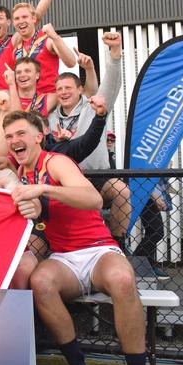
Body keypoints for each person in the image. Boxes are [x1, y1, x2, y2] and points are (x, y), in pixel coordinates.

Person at [4, 111, 157, 365]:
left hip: (98, 249)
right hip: (63, 257)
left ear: (39, 136)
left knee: (123, 279)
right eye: (9, 136)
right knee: (40, 281)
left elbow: (94, 200)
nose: (13, 141)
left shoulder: (55, 162)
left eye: (20, 134)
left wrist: (46, 190)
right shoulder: (21, 172)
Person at [48, 32, 129, 248]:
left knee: (122, 191)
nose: (63, 92)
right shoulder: (49, 118)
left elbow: (110, 86)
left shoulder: (93, 107)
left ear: (80, 90)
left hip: (96, 176)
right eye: (59, 89)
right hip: (65, 181)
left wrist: (114, 53)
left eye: (68, 88)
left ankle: (118, 242)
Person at [11, 4, 77, 94]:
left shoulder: (47, 39)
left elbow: (71, 62)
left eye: (24, 17)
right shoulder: (16, 49)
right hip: (27, 101)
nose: (21, 21)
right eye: (17, 18)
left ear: (34, 19)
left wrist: (55, 37)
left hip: (50, 99)